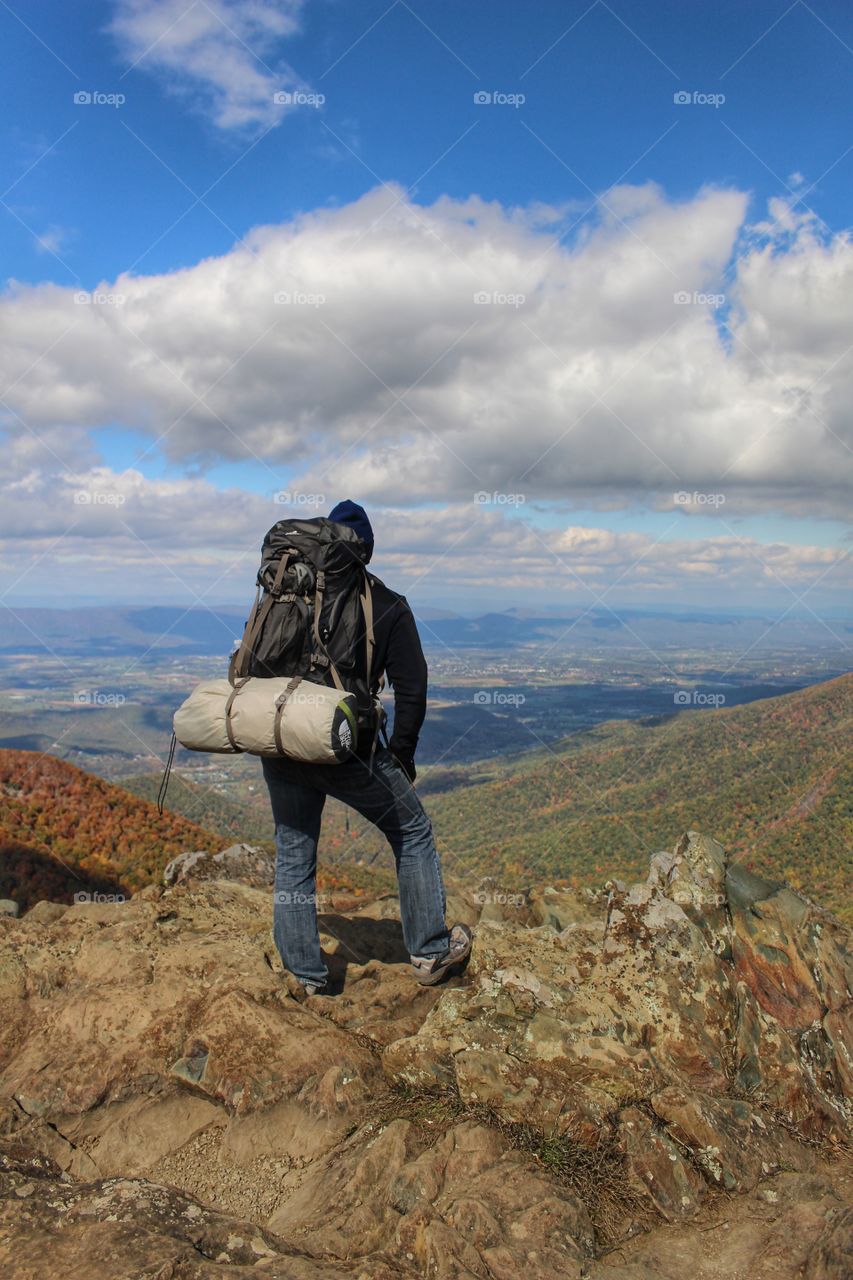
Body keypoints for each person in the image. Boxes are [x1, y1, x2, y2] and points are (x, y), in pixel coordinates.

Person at [260, 499, 472, 997]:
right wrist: (400, 755)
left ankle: (306, 978)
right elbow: (412, 690)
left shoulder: (290, 588)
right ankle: (430, 950)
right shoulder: (389, 605)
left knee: (295, 853)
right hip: (344, 747)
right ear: (366, 551)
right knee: (413, 831)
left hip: (282, 737)